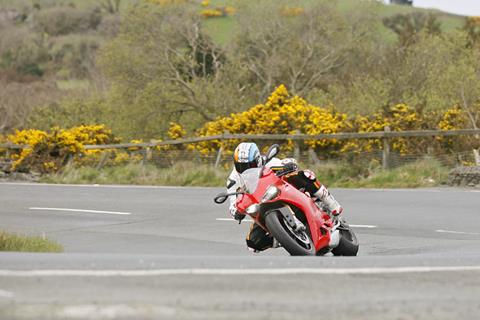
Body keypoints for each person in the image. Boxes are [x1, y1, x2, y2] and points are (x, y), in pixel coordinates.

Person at [226, 142, 343, 252]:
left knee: (305, 175)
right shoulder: (233, 180)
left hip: (282, 191)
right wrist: (236, 212)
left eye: (249, 164)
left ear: (257, 159)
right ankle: (285, 237)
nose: (246, 168)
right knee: (252, 242)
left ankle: (331, 204)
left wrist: (289, 165)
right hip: (261, 205)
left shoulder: (267, 161)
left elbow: (288, 163)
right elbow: (233, 203)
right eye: (241, 166)